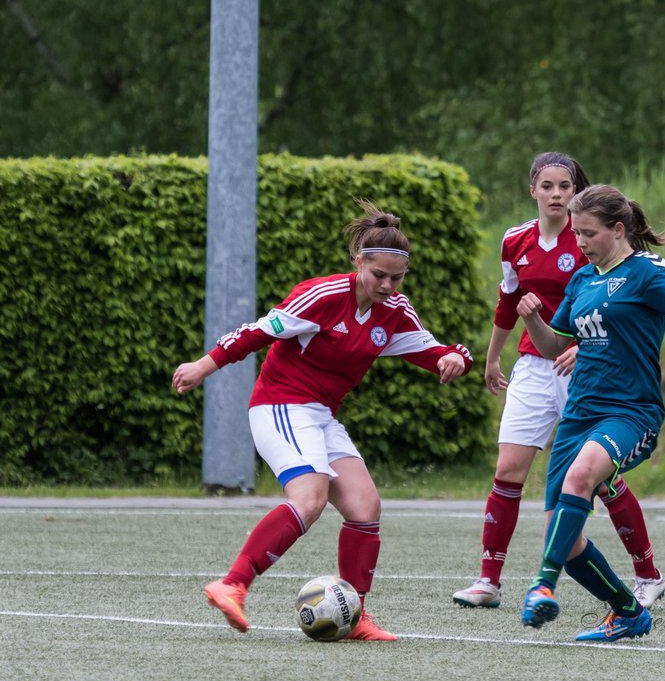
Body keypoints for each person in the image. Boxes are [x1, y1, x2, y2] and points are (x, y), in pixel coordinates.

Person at [172, 200, 473, 641]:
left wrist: (455, 359)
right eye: (379, 275)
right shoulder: (323, 295)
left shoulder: (395, 311)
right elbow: (256, 332)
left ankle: (355, 617)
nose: (388, 285)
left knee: (365, 508)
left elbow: (433, 352)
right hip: (280, 404)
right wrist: (204, 365)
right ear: (359, 262)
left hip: (321, 416)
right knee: (309, 499)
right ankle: (233, 583)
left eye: (397, 277)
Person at [515, 184, 665, 641]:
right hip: (579, 414)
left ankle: (542, 585)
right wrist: (533, 318)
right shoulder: (582, 279)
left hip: (629, 411)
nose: (580, 243)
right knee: (565, 539)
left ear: (618, 230)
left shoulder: (647, 271)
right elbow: (555, 346)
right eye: (576, 234)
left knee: (581, 478)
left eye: (588, 234)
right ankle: (628, 611)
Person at [453, 153, 665, 611]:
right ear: (532, 190)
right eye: (546, 185)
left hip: (584, 369)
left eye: (564, 186)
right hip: (533, 365)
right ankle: (489, 580)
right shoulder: (515, 240)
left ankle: (646, 573)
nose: (555, 194)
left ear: (575, 192)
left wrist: (581, 347)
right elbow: (508, 303)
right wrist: (493, 358)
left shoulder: (591, 239)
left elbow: (609, 308)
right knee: (508, 469)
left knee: (596, 479)